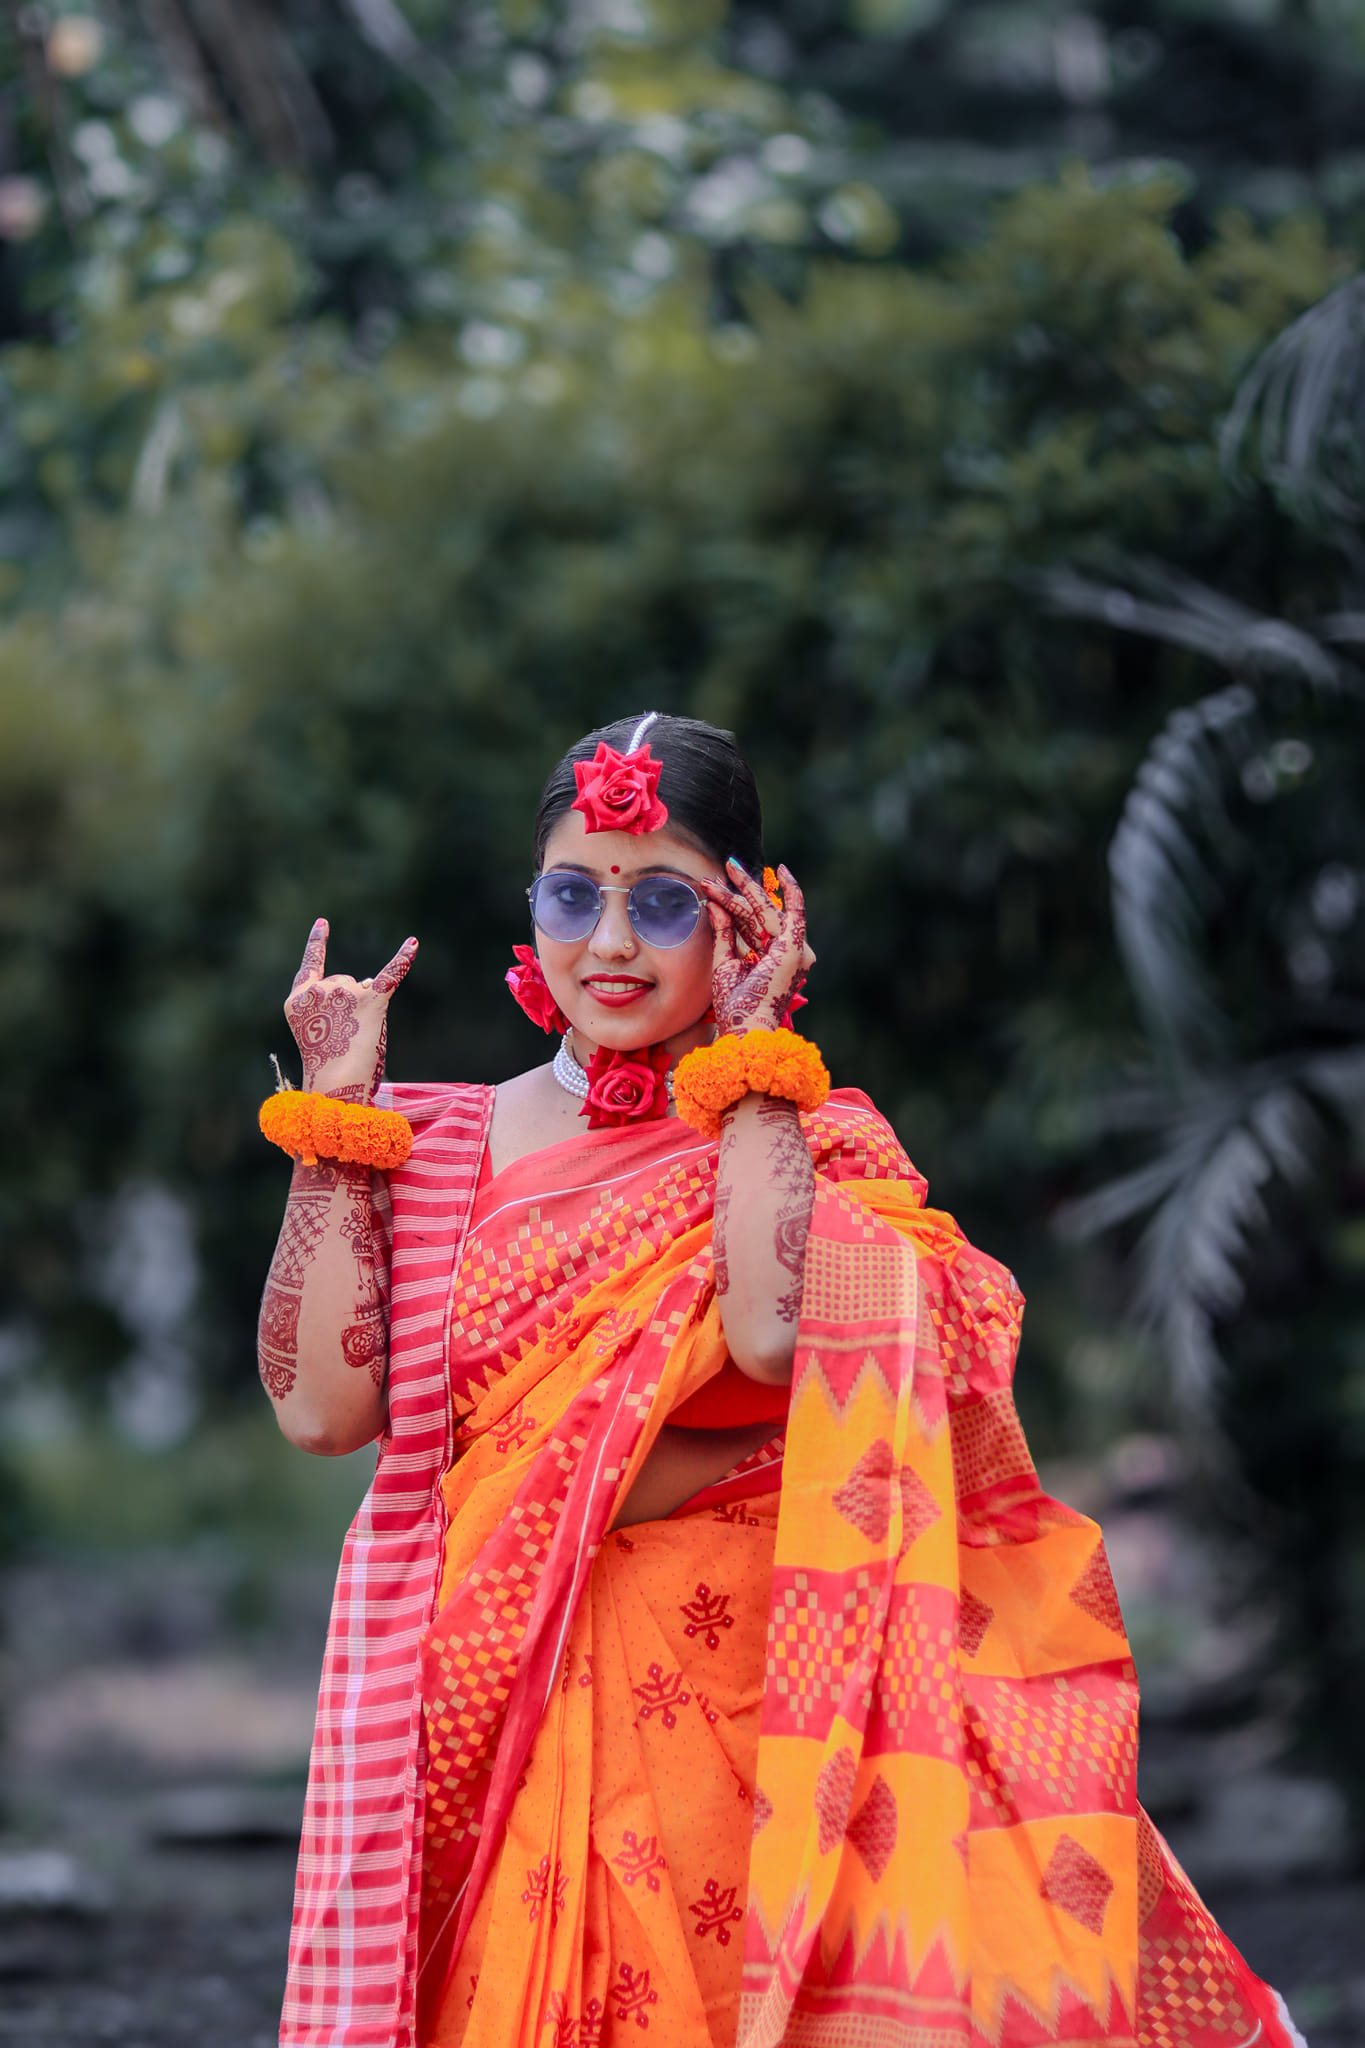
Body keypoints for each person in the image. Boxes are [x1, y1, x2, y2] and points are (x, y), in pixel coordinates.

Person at [258, 714, 1303, 2048]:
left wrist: (751, 1081)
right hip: (498, 1714)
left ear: (746, 919)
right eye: (573, 893)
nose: (611, 943)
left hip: (760, 1718)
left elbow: (769, 1335)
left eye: (662, 901)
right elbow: (317, 1410)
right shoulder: (437, 1143)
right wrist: (337, 1120)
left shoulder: (816, 1144)